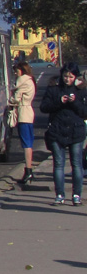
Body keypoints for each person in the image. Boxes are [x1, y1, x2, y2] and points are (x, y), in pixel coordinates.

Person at [39, 61, 87, 205]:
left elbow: (84, 112)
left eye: (71, 77)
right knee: (58, 163)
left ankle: (76, 195)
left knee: (77, 164)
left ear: (76, 77)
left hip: (76, 131)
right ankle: (60, 194)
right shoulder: (54, 89)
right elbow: (44, 107)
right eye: (66, 76)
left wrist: (74, 102)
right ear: (62, 75)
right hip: (57, 130)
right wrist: (59, 101)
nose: (68, 79)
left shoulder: (82, 90)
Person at [10, 61, 37, 186]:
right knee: (28, 143)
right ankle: (29, 170)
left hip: (23, 113)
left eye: (16, 71)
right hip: (28, 112)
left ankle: (29, 170)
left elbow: (15, 99)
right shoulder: (30, 81)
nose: (15, 73)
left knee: (26, 144)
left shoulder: (22, 82)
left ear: (22, 70)